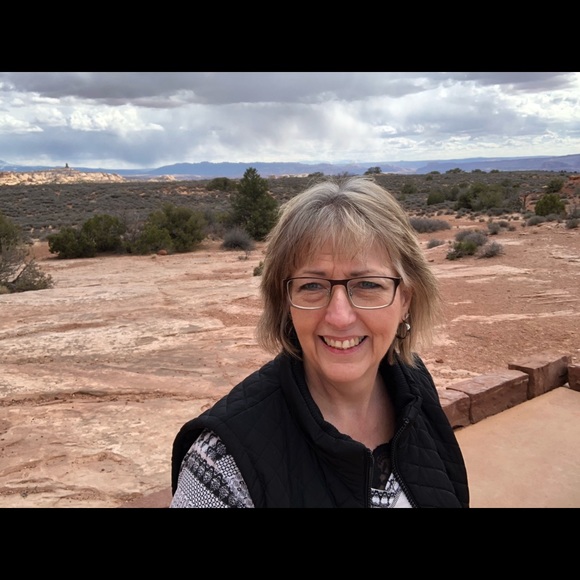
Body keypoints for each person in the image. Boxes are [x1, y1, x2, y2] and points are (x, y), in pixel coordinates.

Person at [170, 175, 470, 508]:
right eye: (312, 286)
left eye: (368, 285)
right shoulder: (222, 464)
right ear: (285, 303)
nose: (339, 317)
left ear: (405, 300)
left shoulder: (414, 386)